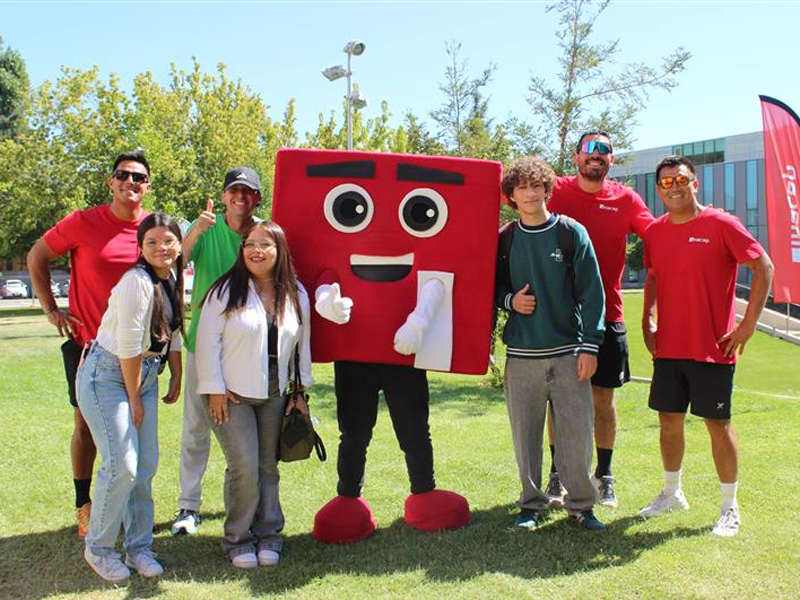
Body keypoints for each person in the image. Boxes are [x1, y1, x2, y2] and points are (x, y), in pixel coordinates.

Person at [639, 155, 773, 537]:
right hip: (669, 348)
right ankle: (671, 493)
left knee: (718, 424)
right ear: (659, 190)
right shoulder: (656, 232)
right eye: (665, 182)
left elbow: (763, 267)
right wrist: (648, 318)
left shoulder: (721, 224)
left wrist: (748, 324)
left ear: (694, 183)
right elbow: (652, 275)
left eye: (680, 179)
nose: (674, 186)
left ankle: (729, 508)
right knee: (668, 422)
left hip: (714, 348)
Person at [27, 150, 153, 538]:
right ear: (111, 182)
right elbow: (37, 256)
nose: (130, 182)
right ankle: (86, 506)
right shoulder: (83, 223)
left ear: (147, 187)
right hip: (90, 348)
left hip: (140, 352)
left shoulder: (155, 227)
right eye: (123, 175)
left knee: (136, 434)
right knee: (86, 427)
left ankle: (131, 513)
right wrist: (51, 309)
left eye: (138, 177)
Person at [495, 155, 606, 531]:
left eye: (535, 185)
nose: (529, 193)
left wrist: (590, 345)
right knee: (525, 436)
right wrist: (512, 301)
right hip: (522, 353)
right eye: (520, 187)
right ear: (511, 195)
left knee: (576, 434)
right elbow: (491, 288)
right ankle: (530, 505)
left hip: (568, 352)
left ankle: (581, 505)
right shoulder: (506, 239)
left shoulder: (571, 233)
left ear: (547, 188)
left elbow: (593, 293)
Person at [546, 130, 655, 508]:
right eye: (590, 148)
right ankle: (557, 475)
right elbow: (502, 190)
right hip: (557, 316)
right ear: (576, 157)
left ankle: (604, 475)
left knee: (603, 398)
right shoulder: (553, 189)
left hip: (608, 315)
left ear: (611, 160)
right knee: (557, 401)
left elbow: (657, 235)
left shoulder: (626, 199)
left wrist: (702, 222)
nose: (597, 154)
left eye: (604, 150)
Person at [195, 221, 311, 568]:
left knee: (267, 466)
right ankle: (238, 539)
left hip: (276, 393)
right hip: (231, 394)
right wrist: (214, 388)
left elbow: (302, 346)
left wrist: (300, 392)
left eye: (265, 245)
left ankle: (269, 534)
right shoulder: (225, 290)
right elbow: (206, 342)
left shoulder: (296, 293)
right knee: (244, 465)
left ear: (280, 251)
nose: (256, 251)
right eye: (249, 244)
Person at [76, 212, 184, 582]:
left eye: (168, 240)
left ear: (179, 244)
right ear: (141, 247)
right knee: (122, 463)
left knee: (145, 466)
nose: (161, 248)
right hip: (109, 375)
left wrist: (177, 372)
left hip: (145, 374)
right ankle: (99, 548)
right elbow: (127, 343)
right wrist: (135, 397)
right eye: (152, 242)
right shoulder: (136, 282)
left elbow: (174, 328)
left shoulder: (170, 277)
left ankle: (139, 548)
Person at [172, 167, 262, 535]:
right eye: (234, 191)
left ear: (256, 197)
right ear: (224, 196)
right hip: (204, 346)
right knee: (196, 427)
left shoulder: (263, 233)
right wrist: (196, 230)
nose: (240, 197)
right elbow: (175, 261)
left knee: (250, 435)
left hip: (249, 349)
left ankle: (248, 509)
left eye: (248, 192)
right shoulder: (205, 228)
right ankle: (188, 507)